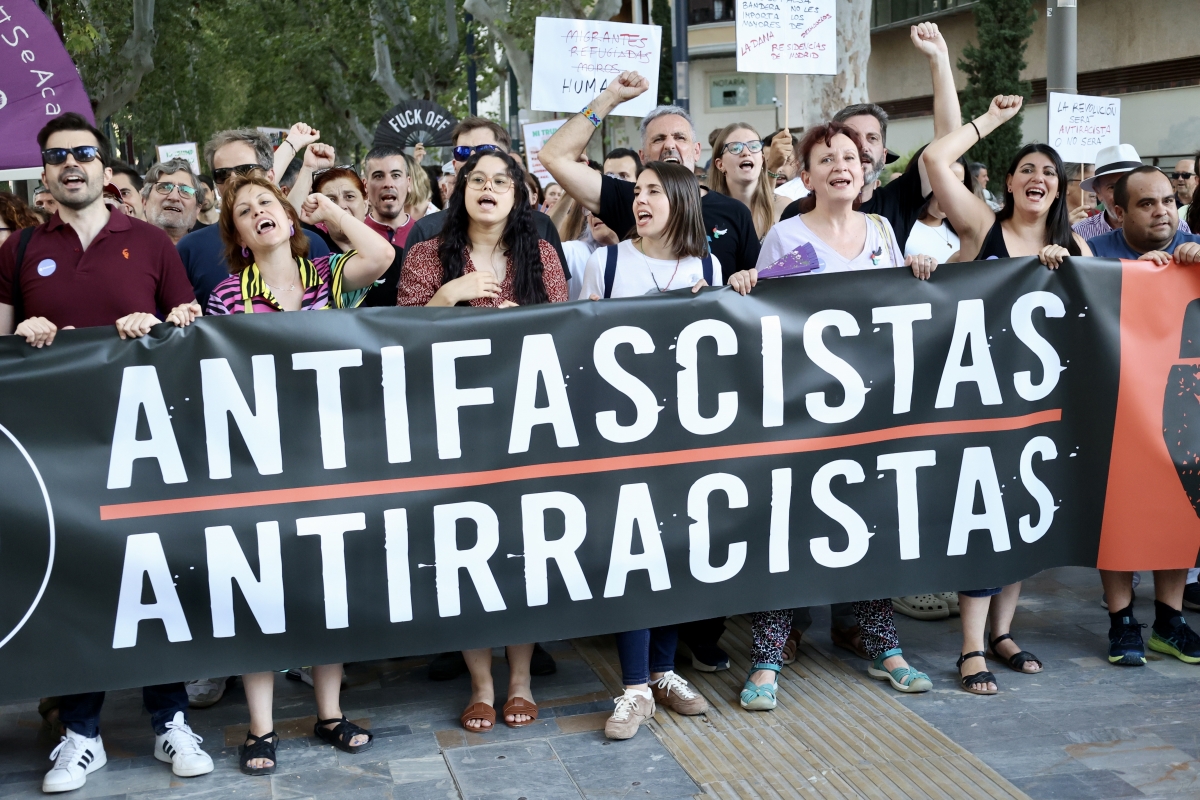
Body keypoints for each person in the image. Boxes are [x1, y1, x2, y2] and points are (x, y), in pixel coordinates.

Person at [0, 113, 206, 793]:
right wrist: (22, 334)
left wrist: (160, 327)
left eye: (84, 153)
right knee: (77, 584)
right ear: (44, 172)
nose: (72, 164)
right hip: (57, 452)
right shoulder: (21, 249)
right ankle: (81, 734)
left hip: (145, 444)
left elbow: (190, 331)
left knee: (154, 577)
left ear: (103, 165)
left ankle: (171, 720)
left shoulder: (148, 242)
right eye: (58, 156)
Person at [728, 123, 935, 709]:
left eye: (851, 157)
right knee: (787, 528)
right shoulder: (786, 235)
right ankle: (767, 659)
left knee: (867, 526)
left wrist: (917, 267)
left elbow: (899, 304)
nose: (841, 166)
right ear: (807, 175)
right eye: (826, 159)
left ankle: (885, 648)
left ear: (865, 171)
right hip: (801, 413)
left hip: (870, 411)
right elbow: (763, 314)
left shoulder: (883, 232)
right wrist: (746, 281)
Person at [204, 170, 391, 774]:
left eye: (268, 202)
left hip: (329, 455)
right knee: (263, 586)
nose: (258, 211)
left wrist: (330, 213)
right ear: (237, 235)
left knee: (326, 585)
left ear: (288, 218)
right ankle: (260, 728)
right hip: (259, 460)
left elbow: (380, 255)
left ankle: (329, 713)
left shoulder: (328, 275)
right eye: (244, 210)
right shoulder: (227, 294)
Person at [573, 161, 713, 737]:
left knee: (674, 549)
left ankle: (663, 671)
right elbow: (576, 340)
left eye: (654, 191)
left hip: (684, 435)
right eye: (637, 192)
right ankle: (633, 688)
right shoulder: (606, 262)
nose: (640, 201)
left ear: (681, 199)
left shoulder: (706, 265)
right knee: (631, 552)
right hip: (620, 438)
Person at [539, 74, 758, 282]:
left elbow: (758, 288)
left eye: (680, 137)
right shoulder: (628, 198)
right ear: (642, 156)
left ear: (697, 150)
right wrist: (610, 98)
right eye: (658, 139)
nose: (670, 145)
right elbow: (553, 156)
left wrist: (741, 281)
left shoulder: (734, 213)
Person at [778, 22, 962, 253]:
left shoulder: (898, 200)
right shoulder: (797, 215)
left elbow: (949, 139)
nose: (862, 146)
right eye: (852, 136)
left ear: (884, 156)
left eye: (872, 138)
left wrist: (939, 58)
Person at [923, 95, 1091, 267]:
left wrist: (1072, 269)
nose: (1038, 178)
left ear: (1059, 189)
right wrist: (992, 119)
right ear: (1009, 182)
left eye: (1049, 173)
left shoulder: (1077, 247)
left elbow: (1094, 285)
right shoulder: (982, 227)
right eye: (1027, 170)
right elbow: (935, 158)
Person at [178, 128, 330, 310]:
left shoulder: (312, 244)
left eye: (245, 170)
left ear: (270, 176)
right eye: (222, 174)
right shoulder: (190, 249)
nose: (233, 179)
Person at [404, 118, 568, 277]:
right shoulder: (425, 231)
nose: (473, 159)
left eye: (485, 150)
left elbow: (558, 295)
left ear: (508, 163)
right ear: (455, 166)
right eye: (463, 152)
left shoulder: (541, 227)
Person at [1087, 166, 1200, 263]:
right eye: (1147, 204)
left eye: (1167, 201)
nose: (1161, 212)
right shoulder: (1094, 252)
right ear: (1120, 213)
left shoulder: (1198, 247)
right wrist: (1138, 272)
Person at [708, 122, 790, 239]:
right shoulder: (705, 213)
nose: (746, 153)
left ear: (762, 160)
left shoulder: (786, 208)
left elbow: (804, 250)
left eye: (754, 146)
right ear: (720, 164)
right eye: (735, 148)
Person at [902, 147, 974, 264]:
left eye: (959, 184)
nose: (951, 193)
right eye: (943, 181)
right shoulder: (898, 229)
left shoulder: (965, 229)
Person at [141, 158, 205, 245]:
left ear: (197, 209)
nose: (174, 197)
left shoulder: (211, 250)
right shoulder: (126, 247)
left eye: (185, 190)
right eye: (164, 187)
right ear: (144, 201)